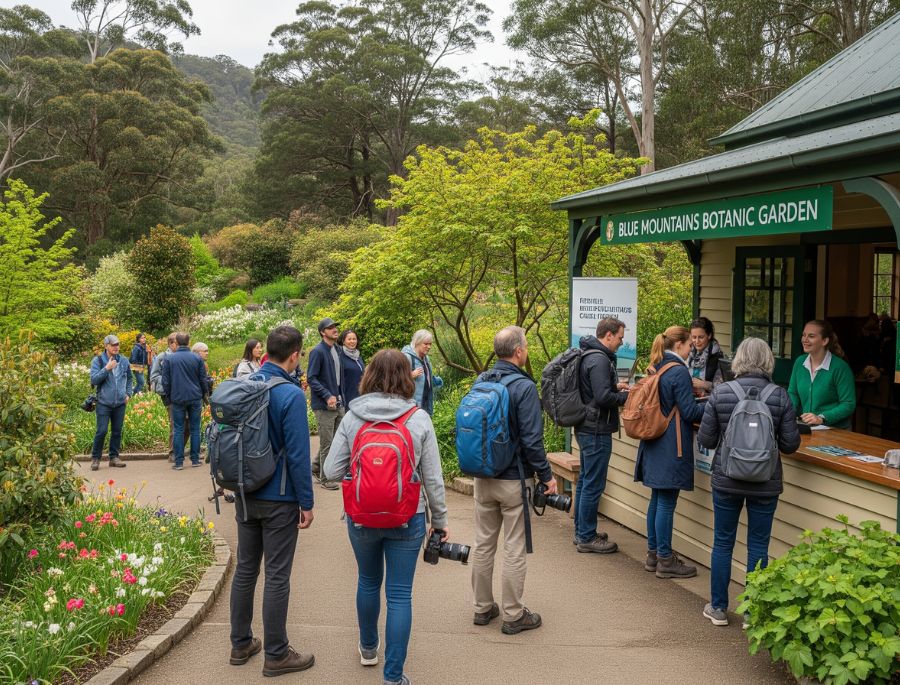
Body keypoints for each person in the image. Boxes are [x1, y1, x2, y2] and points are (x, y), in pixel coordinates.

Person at [323, 349, 448, 685]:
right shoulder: (417, 418)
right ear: (407, 377)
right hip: (408, 517)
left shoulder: (353, 417)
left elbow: (330, 471)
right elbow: (434, 479)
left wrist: (359, 474)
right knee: (399, 593)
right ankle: (393, 676)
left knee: (367, 581)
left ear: (369, 376)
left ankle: (367, 649)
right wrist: (441, 521)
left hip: (361, 516)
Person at [229, 325, 316, 677]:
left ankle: (240, 643)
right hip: (279, 497)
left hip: (244, 491)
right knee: (277, 575)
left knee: (246, 568)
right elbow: (297, 454)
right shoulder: (290, 394)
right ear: (294, 355)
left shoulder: (245, 385)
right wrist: (306, 503)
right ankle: (277, 653)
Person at [697, 337, 801, 626]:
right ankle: (753, 612)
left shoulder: (721, 393)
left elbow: (705, 439)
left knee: (722, 542)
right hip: (765, 482)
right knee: (758, 545)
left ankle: (718, 608)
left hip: (727, 479)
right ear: (768, 361)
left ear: (739, 360)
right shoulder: (779, 396)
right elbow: (791, 444)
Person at [470, 326, 558, 636]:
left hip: (483, 476)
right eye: (526, 346)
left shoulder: (481, 380)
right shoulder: (523, 387)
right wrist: (547, 477)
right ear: (518, 351)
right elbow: (533, 441)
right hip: (514, 479)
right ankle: (513, 614)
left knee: (483, 544)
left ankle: (482, 608)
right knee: (514, 546)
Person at [634, 326, 706, 579]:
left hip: (654, 441)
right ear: (679, 346)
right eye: (689, 345)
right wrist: (712, 404)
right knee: (666, 502)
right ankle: (665, 559)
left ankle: (653, 554)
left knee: (656, 500)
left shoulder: (659, 365)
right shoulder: (678, 371)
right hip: (670, 443)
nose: (691, 350)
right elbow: (689, 412)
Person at [572, 317, 629, 554]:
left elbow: (598, 391)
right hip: (596, 429)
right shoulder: (599, 359)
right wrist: (626, 397)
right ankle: (587, 537)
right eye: (619, 337)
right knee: (593, 484)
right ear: (608, 335)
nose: (621, 342)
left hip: (587, 427)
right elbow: (603, 398)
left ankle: (582, 531)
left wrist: (615, 387)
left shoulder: (590, 355)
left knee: (586, 480)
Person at [787, 319, 856, 429]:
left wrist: (822, 418)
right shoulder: (799, 362)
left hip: (836, 431)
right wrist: (789, 412)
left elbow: (848, 404)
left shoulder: (840, 368)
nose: (805, 340)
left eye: (811, 336)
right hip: (807, 428)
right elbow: (793, 393)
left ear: (824, 341)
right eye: (803, 335)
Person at [162, 332, 207, 470]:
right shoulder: (197, 358)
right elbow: (202, 379)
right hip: (194, 397)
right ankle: (194, 459)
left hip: (178, 398)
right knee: (195, 429)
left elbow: (166, 381)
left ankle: (179, 461)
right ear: (188, 342)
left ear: (177, 342)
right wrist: (204, 394)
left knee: (178, 429)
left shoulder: (170, 359)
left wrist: (169, 397)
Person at [306, 318, 342, 490]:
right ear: (322, 332)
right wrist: (327, 395)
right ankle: (325, 478)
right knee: (328, 442)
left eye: (335, 327)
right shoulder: (318, 351)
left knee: (334, 441)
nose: (335, 329)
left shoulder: (337, 349)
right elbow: (311, 378)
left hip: (338, 403)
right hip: (323, 405)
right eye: (330, 327)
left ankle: (316, 466)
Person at [89, 334, 132, 471]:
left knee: (117, 432)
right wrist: (107, 368)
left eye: (117, 344)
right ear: (106, 346)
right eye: (113, 345)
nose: (116, 347)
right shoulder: (98, 361)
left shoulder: (124, 360)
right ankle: (96, 458)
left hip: (119, 402)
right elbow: (94, 380)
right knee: (101, 431)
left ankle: (114, 457)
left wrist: (128, 393)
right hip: (104, 402)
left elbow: (130, 378)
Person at [151, 333, 190, 463]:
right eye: (177, 344)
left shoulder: (181, 357)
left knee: (187, 424)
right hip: (168, 395)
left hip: (182, 394)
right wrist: (170, 381)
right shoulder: (162, 357)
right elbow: (154, 376)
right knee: (175, 423)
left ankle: (179, 449)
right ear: (170, 344)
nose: (179, 346)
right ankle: (172, 453)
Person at [401, 330, 443, 415]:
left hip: (426, 403)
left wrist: (435, 380)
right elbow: (396, 380)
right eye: (426, 344)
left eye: (430, 344)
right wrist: (410, 376)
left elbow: (426, 377)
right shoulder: (406, 357)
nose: (429, 347)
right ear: (417, 342)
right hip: (411, 407)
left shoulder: (426, 358)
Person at [687, 317, 724, 396]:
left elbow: (722, 388)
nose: (697, 341)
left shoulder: (717, 357)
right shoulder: (686, 352)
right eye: (694, 337)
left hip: (708, 401)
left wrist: (705, 385)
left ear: (709, 335)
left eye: (701, 337)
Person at [337, 328, 365, 405]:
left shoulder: (358, 356)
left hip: (360, 397)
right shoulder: (340, 356)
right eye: (349, 339)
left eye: (354, 339)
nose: (352, 341)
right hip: (347, 399)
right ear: (343, 341)